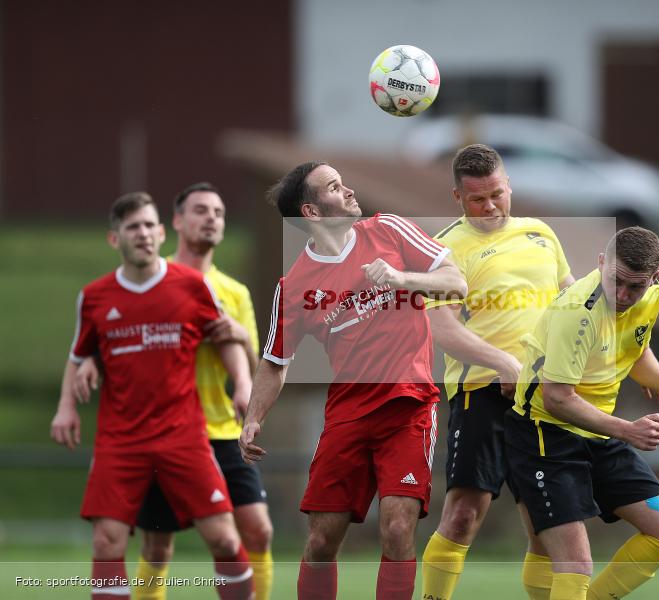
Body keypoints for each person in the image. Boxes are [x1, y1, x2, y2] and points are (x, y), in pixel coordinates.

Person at [238, 161, 467, 600]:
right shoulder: (296, 285)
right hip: (347, 413)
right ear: (311, 212)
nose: (349, 191)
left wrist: (403, 278)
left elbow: (456, 282)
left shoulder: (390, 230)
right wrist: (253, 418)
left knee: (399, 528)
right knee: (322, 541)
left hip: (409, 404)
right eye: (334, 187)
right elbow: (274, 361)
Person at [73, 183, 274, 599]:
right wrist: (88, 364)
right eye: (201, 210)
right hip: (157, 430)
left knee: (255, 528)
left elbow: (255, 359)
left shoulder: (232, 291)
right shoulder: (142, 275)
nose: (213, 218)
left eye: (219, 212)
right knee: (157, 544)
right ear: (176, 223)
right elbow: (107, 337)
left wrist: (240, 365)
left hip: (218, 429)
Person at [420, 143, 575, 600]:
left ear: (509, 186)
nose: (491, 206)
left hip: (543, 397)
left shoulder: (542, 233)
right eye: (477, 200)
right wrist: (505, 362)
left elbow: (570, 304)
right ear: (456, 198)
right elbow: (443, 330)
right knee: (465, 514)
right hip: (481, 392)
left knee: (545, 523)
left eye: (498, 194)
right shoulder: (442, 249)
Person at [505, 226, 659, 600]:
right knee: (573, 564)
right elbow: (557, 398)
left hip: (598, 433)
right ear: (601, 262)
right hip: (544, 433)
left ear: (653, 279)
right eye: (616, 280)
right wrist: (628, 430)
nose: (622, 294)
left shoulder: (651, 296)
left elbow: (637, 351)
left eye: (634, 287)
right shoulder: (578, 311)